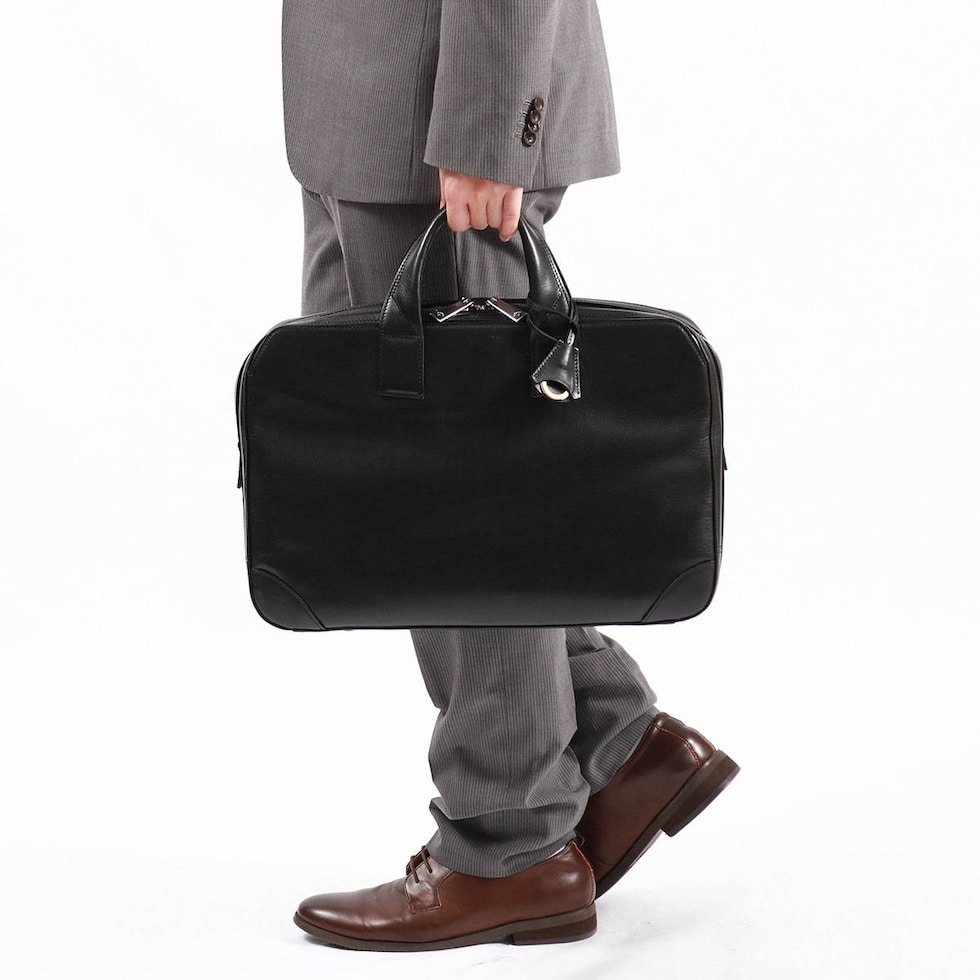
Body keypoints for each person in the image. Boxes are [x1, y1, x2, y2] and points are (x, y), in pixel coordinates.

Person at [281, 0, 739, 952]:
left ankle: (510, 843)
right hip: (361, 113)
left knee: (454, 495)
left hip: (435, 119)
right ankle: (615, 742)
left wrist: (488, 130)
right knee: (411, 483)